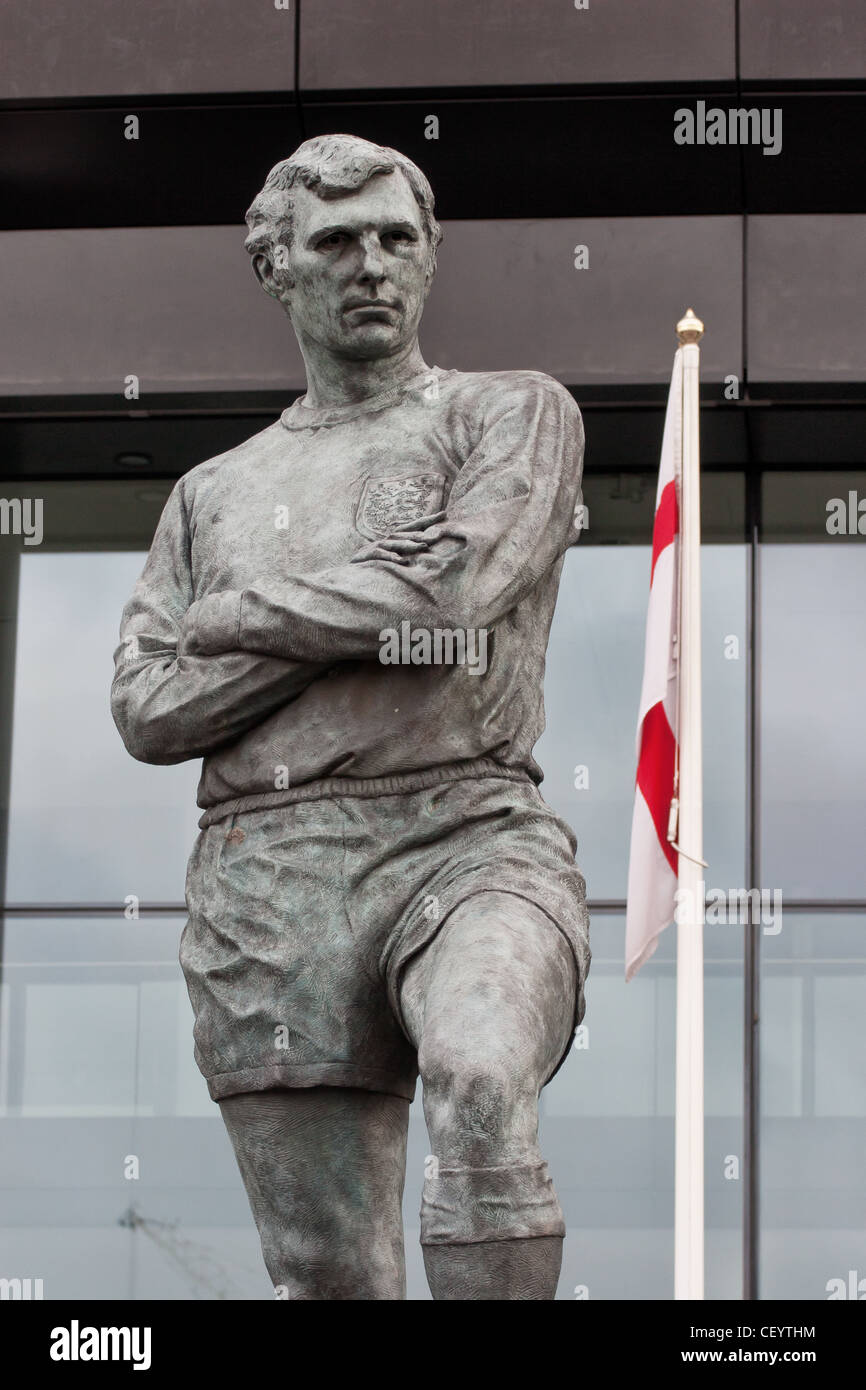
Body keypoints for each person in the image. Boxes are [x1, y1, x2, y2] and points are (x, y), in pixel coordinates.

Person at [111, 134, 591, 1300]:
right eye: (334, 242)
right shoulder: (212, 492)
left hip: (463, 832)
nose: (370, 263)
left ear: (428, 257)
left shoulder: (510, 416)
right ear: (279, 268)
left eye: (396, 238)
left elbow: (456, 592)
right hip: (267, 883)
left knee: (479, 1075)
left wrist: (244, 616)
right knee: (332, 1275)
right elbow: (147, 705)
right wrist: (355, 618)